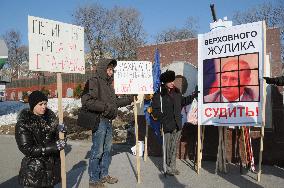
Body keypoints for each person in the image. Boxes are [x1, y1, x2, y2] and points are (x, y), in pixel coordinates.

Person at [81, 59, 134, 188]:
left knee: (107, 150)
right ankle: (94, 179)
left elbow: (115, 103)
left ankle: (104, 174)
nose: (111, 72)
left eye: (112, 70)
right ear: (103, 69)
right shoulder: (93, 81)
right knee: (97, 150)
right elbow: (86, 101)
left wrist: (129, 99)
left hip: (108, 121)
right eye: (109, 69)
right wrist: (105, 107)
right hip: (99, 120)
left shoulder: (109, 85)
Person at [15, 90, 67, 188]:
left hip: (50, 169)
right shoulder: (23, 123)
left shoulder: (50, 120)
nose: (44, 106)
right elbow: (27, 149)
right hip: (34, 171)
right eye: (40, 104)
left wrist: (62, 132)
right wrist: (53, 147)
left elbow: (59, 141)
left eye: (45, 103)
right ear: (33, 105)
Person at [152, 70, 197, 176]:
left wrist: (194, 95)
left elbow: (184, 101)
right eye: (170, 81)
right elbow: (155, 110)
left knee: (173, 146)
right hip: (167, 125)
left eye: (173, 81)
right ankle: (166, 167)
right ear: (164, 82)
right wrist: (163, 119)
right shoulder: (159, 94)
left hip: (177, 124)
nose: (173, 83)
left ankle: (172, 166)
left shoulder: (176, 92)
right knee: (167, 147)